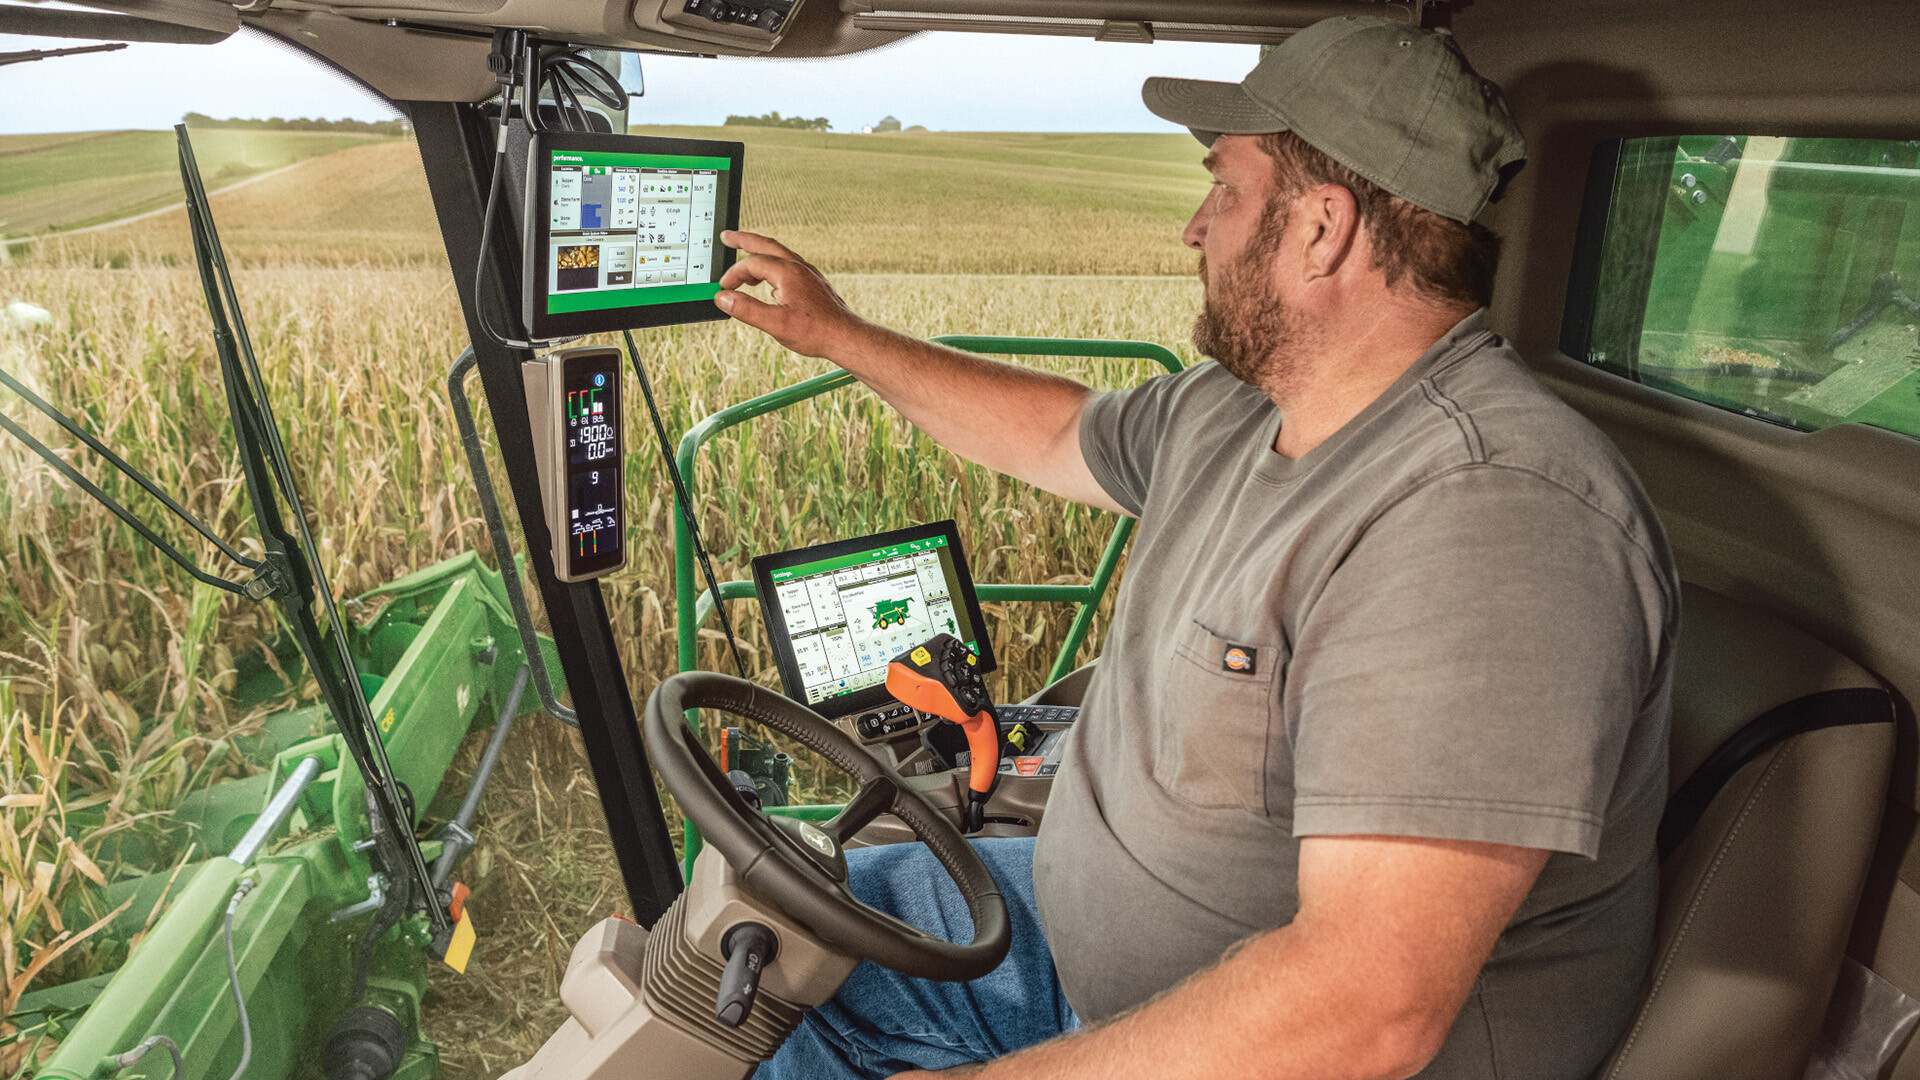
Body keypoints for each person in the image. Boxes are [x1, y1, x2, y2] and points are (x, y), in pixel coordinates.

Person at [720, 16, 1676, 1080]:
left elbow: (1366, 1008)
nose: (1194, 228)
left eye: (1225, 189)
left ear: (1323, 229)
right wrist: (838, 335)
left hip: (1271, 1049)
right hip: (1090, 943)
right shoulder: (1236, 407)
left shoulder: (1490, 519)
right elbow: (1052, 430)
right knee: (762, 940)